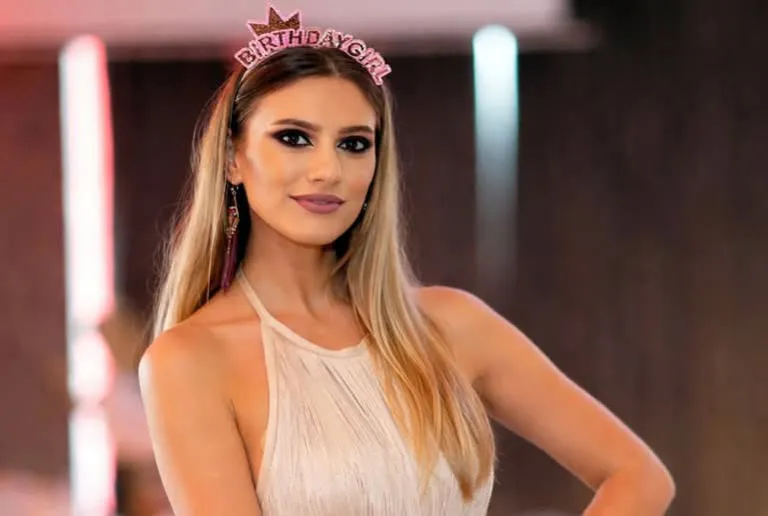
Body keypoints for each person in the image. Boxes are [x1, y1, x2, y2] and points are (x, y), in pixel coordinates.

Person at [138, 7, 675, 516]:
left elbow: (638, 476)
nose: (328, 170)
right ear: (232, 158)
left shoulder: (451, 325)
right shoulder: (189, 361)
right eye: (294, 138)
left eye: (354, 144)